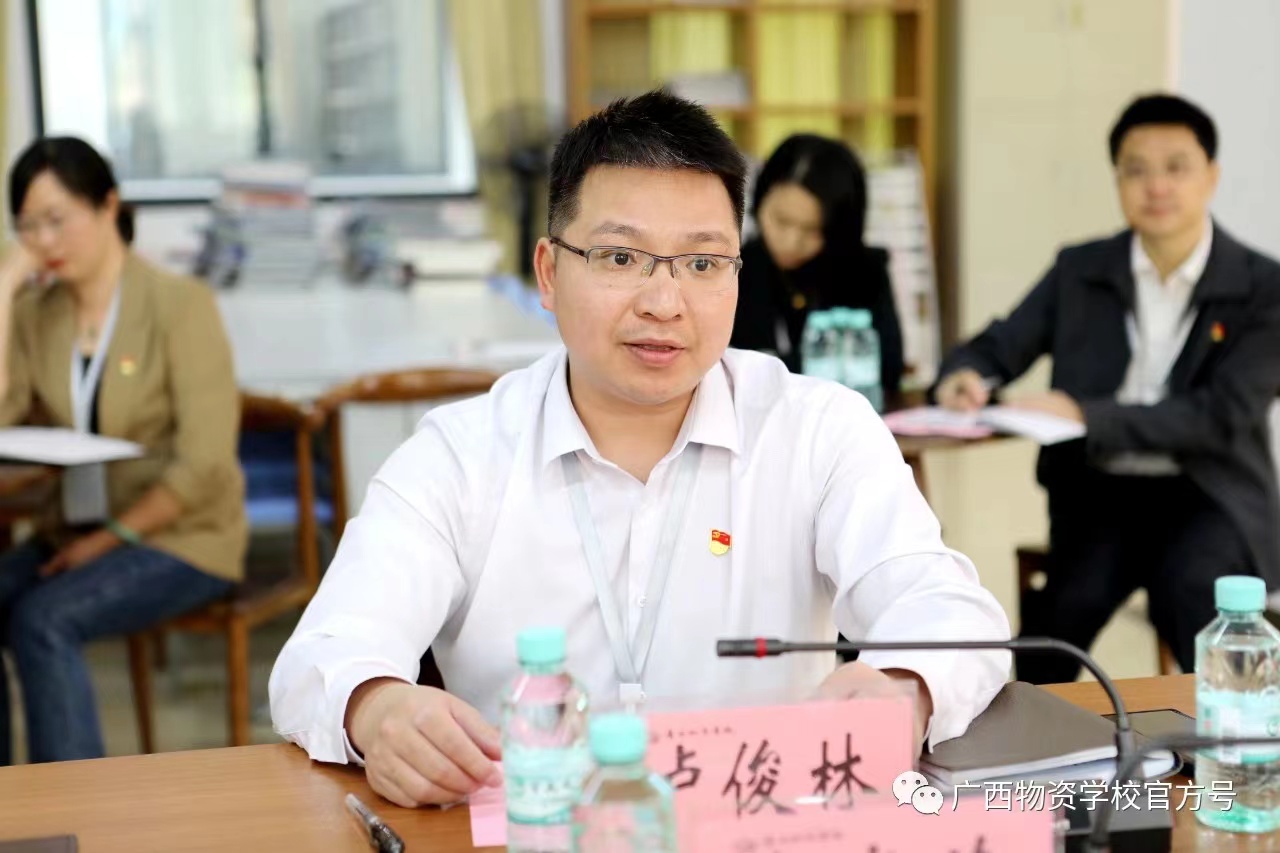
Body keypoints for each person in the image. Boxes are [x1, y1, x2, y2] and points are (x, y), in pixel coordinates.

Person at [270, 91, 1009, 809]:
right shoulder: (460, 455)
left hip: (761, 825)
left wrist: (905, 689)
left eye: (702, 263)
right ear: (549, 273)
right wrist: (376, 706)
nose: (663, 302)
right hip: (531, 828)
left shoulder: (819, 431)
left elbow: (948, 610)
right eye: (621, 257)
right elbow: (323, 653)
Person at [934, 94, 1280, 683]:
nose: (1156, 186)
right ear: (1117, 179)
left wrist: (1087, 415)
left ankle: (1234, 735)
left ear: (1211, 177)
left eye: (1176, 167)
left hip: (1209, 490)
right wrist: (964, 375)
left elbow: (1222, 414)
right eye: (1136, 170)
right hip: (1098, 489)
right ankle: (1037, 736)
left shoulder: (1262, 286)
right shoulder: (1080, 269)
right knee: (1059, 619)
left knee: (1194, 590)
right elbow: (999, 345)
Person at [0, 137, 247, 764]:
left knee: (43, 619)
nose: (43, 242)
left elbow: (205, 465)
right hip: (71, 532)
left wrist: (107, 541)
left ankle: (73, 808)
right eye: (27, 227)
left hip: (182, 536)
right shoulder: (38, 314)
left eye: (56, 220)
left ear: (108, 205)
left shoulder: (179, 304)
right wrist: (4, 289)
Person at [729, 134, 904, 395]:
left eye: (811, 230)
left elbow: (888, 370)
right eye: (781, 221)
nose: (791, 242)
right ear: (759, 201)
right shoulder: (734, 268)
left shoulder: (864, 271)